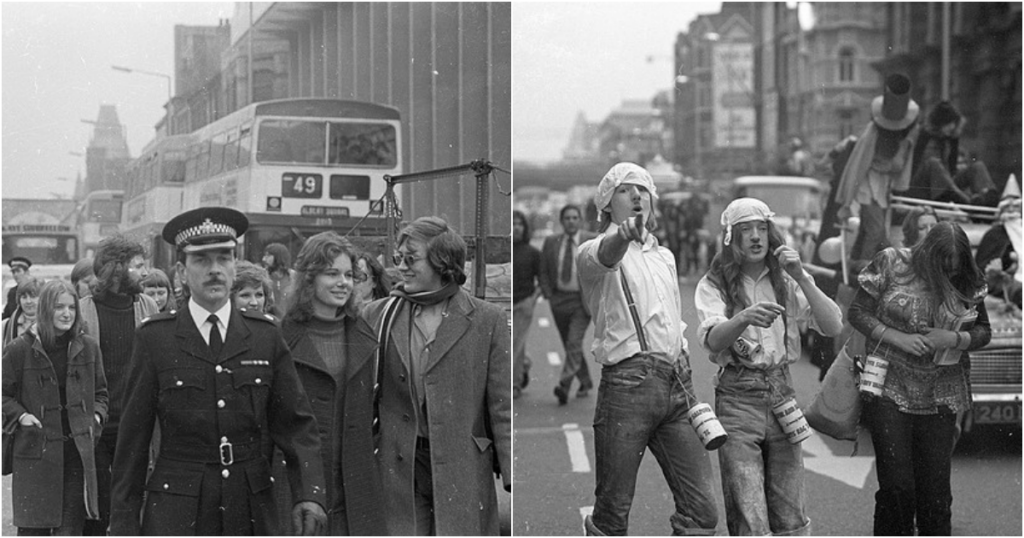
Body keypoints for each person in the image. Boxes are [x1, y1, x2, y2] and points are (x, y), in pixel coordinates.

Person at [110, 207, 327, 536]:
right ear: (182, 271)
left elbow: (297, 425)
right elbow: (133, 442)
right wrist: (124, 525)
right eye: (202, 260)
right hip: (177, 512)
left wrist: (310, 495)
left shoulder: (265, 336)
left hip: (249, 507)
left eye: (224, 258)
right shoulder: (155, 338)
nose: (215, 270)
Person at [578, 162, 718, 537]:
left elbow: (674, 318)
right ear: (608, 204)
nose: (637, 195)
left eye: (642, 189)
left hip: (677, 385)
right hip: (627, 387)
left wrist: (683, 358)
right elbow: (605, 255)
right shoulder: (593, 251)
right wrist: (622, 236)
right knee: (612, 514)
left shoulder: (665, 257)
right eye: (625, 190)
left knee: (702, 513)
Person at [694, 198, 843, 536]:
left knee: (790, 513)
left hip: (781, 392)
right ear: (731, 238)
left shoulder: (785, 280)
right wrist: (744, 317)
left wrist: (802, 277)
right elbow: (714, 340)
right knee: (749, 514)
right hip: (737, 397)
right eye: (746, 230)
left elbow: (833, 325)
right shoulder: (713, 284)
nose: (756, 237)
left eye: (762, 228)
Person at [362, 216, 511, 535]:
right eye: (398, 258)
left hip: (463, 467)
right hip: (399, 467)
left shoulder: (488, 319)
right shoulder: (377, 315)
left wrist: (513, 475)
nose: (401, 266)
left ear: (443, 262)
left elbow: (502, 405)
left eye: (411, 258)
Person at [848, 221, 991, 535]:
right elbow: (857, 312)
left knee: (935, 494)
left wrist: (952, 339)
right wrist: (897, 338)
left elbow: (984, 332)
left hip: (941, 394)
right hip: (889, 386)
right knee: (897, 487)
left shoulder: (970, 279)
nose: (949, 275)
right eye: (943, 267)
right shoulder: (890, 263)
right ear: (926, 254)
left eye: (954, 270)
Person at [275, 231, 384, 535]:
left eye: (349, 275)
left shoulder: (364, 335)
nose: (343, 283)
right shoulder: (279, 338)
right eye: (331, 273)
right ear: (309, 279)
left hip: (354, 487)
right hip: (297, 485)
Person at [2, 280, 108, 535]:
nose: (66, 313)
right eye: (59, 307)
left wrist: (95, 416)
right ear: (45, 309)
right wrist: (22, 416)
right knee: (33, 530)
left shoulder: (89, 347)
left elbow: (102, 394)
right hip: (36, 453)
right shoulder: (19, 349)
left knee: (70, 529)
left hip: (76, 454)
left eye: (71, 307)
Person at [77, 235, 159, 536]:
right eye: (138, 266)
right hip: (95, 429)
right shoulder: (82, 311)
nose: (146, 272)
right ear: (116, 269)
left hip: (135, 429)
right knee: (95, 512)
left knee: (132, 507)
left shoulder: (148, 307)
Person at [835, 73, 921, 263]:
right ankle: (865, 270)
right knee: (876, 231)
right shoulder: (872, 132)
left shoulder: (907, 136)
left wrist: (906, 143)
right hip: (869, 185)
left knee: (879, 235)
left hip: (884, 186)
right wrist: (847, 201)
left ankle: (858, 264)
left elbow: (898, 167)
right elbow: (859, 165)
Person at [539, 204, 596, 404]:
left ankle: (564, 385)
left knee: (573, 341)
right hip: (559, 300)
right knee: (570, 344)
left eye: (574, 218)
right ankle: (586, 381)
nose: (571, 221)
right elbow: (544, 269)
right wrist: (548, 294)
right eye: (567, 218)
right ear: (562, 221)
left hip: (582, 302)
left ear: (580, 220)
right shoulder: (551, 242)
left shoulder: (591, 240)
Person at [908, 101, 998, 207]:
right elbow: (913, 166)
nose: (952, 127)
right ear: (939, 122)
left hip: (946, 187)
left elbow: (952, 170)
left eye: (954, 123)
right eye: (948, 123)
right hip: (925, 186)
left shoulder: (950, 139)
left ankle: (988, 196)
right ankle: (969, 203)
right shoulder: (922, 136)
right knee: (934, 163)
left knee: (977, 167)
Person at [513, 210, 542, 398]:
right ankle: (524, 365)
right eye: (513, 224)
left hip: (524, 303)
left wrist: (533, 299)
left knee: (515, 344)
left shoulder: (532, 253)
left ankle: (514, 385)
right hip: (507, 302)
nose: (516, 228)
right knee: (514, 344)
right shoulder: (505, 250)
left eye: (520, 224)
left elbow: (543, 280)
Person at [2, 277, 42, 350]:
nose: (28, 301)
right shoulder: (5, 326)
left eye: (33, 296)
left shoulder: (51, 324)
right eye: (24, 297)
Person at [262, 243, 297, 312]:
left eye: (268, 255)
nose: (263, 259)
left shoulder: (295, 277)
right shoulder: (262, 277)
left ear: (279, 257)